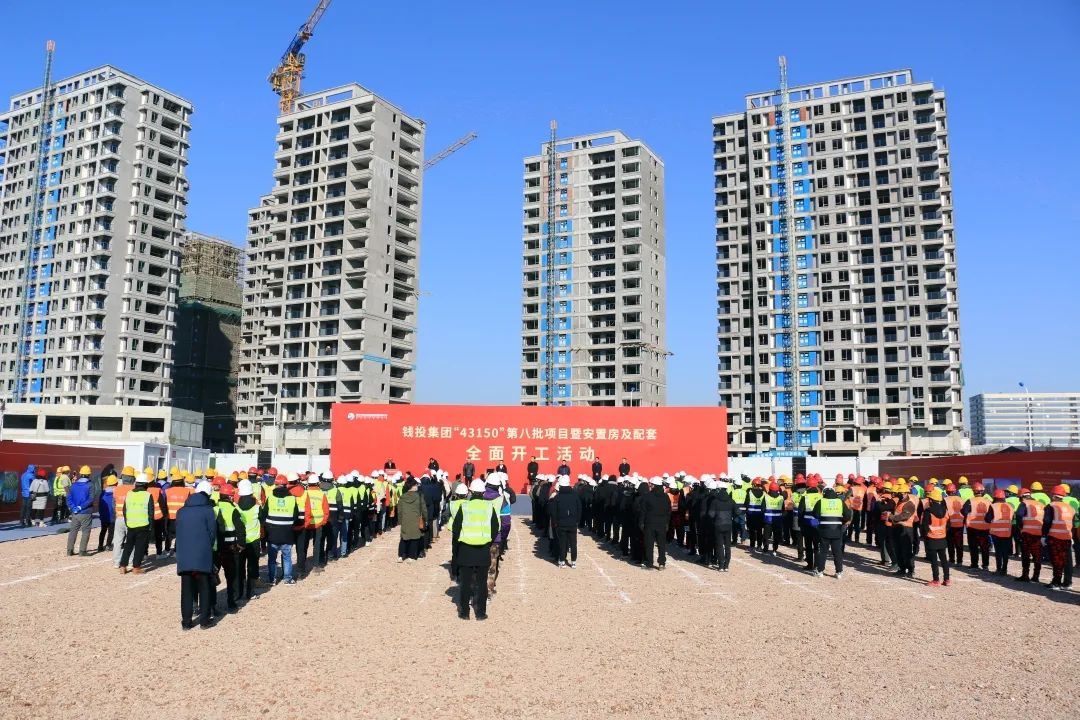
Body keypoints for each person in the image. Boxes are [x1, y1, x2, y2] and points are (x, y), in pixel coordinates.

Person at [453, 479, 500, 620]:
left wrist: (458, 545)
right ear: (483, 492)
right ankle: (480, 613)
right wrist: (488, 541)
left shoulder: (464, 506)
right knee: (481, 582)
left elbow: (456, 528)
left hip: (466, 549)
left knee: (465, 583)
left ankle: (464, 613)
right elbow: (495, 526)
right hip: (483, 549)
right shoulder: (489, 507)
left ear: (470, 491)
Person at [175, 482, 217, 630]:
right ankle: (204, 621)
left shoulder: (181, 511)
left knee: (186, 589)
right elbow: (212, 534)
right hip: (202, 553)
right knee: (204, 586)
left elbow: (178, 532)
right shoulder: (208, 510)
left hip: (184, 554)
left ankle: (186, 622)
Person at [263, 475, 301, 584]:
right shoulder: (292, 499)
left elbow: (264, 514)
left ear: (276, 485)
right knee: (287, 557)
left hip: (272, 534)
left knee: (272, 559)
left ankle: (272, 579)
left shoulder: (270, 498)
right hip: (287, 533)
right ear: (286, 485)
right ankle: (287, 578)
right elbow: (296, 516)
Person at [214, 484, 245, 613]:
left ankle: (212, 605)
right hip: (230, 549)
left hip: (216, 549)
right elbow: (240, 529)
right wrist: (241, 545)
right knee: (231, 577)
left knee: (212, 576)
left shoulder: (214, 508)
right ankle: (231, 603)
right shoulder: (233, 510)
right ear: (230, 497)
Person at [813, 481, 851, 578]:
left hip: (824, 530)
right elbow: (848, 515)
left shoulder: (821, 501)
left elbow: (815, 514)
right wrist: (841, 521)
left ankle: (820, 571)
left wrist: (821, 520)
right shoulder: (840, 502)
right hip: (837, 530)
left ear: (824, 493)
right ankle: (839, 572)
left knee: (823, 551)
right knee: (837, 552)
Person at [118, 473, 155, 573]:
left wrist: (127, 522)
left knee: (128, 546)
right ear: (146, 484)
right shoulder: (148, 495)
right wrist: (151, 527)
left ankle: (122, 566)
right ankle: (136, 567)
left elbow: (124, 510)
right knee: (139, 547)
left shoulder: (129, 494)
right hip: (143, 525)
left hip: (131, 524)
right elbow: (151, 513)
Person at [1043, 485, 1075, 590]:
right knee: (1067, 560)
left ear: (1053, 495)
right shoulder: (1070, 508)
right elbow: (1073, 523)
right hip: (1067, 537)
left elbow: (1047, 522)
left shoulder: (1051, 506)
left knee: (1056, 560)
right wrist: (1071, 536)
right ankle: (1067, 583)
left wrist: (1044, 535)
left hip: (1055, 537)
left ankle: (1056, 583)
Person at [235, 479, 261, 602]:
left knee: (240, 567)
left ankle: (238, 593)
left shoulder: (236, 507)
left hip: (240, 542)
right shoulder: (257, 507)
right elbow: (263, 519)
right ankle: (250, 592)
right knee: (252, 567)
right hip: (254, 541)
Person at [921, 487, 951, 587]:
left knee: (934, 561)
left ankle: (936, 580)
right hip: (942, 538)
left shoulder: (928, 511)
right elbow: (948, 525)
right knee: (944, 560)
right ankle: (947, 579)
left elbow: (924, 526)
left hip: (932, 538)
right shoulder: (945, 510)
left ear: (931, 500)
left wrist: (925, 535)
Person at [888, 483, 919, 578]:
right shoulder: (900, 502)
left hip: (906, 530)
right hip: (897, 528)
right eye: (899, 493)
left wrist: (891, 517)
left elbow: (904, 516)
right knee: (898, 550)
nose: (900, 495)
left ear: (906, 493)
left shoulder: (909, 504)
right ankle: (902, 569)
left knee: (907, 551)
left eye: (901, 493)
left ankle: (910, 570)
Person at [67, 466, 98, 557]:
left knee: (73, 531)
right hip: (86, 512)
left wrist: (73, 507)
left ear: (80, 474)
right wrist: (80, 507)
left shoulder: (73, 485)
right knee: (85, 531)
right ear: (89, 474)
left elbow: (69, 498)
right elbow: (91, 499)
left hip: (75, 513)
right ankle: (82, 551)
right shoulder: (90, 485)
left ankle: (69, 550)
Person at [640, 477, 670, 570]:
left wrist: (641, 522)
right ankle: (662, 563)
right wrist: (667, 523)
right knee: (661, 544)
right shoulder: (666, 497)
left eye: (651, 485)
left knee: (649, 544)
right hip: (662, 523)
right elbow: (668, 511)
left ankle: (649, 563)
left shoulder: (648, 496)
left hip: (650, 523)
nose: (650, 486)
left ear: (654, 485)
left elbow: (643, 511)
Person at [1014, 487, 1044, 583]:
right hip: (1038, 533)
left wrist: (1020, 526)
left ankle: (1025, 575)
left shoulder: (1024, 503)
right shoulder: (1040, 504)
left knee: (1026, 555)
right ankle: (1036, 577)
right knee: (1037, 556)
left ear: (1022, 497)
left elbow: (1019, 515)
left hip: (1027, 534)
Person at [552, 475, 582, 568]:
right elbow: (579, 509)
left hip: (561, 524)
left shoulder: (557, 497)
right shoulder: (575, 496)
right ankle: (573, 562)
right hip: (573, 523)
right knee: (573, 543)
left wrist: (555, 522)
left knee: (562, 543)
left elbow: (554, 512)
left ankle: (562, 561)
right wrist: (577, 520)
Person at [396, 477, 427, 562]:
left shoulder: (402, 497)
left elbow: (399, 511)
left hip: (405, 520)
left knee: (404, 538)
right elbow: (424, 509)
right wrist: (425, 519)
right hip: (416, 520)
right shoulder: (419, 496)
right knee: (414, 538)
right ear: (412, 486)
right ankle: (411, 556)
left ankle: (401, 555)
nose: (417, 486)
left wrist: (400, 521)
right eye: (416, 485)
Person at [709, 480, 736, 571]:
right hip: (728, 525)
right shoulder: (731, 500)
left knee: (719, 545)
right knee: (727, 546)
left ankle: (720, 565)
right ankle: (726, 565)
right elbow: (738, 512)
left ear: (718, 489)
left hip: (718, 525)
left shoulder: (715, 501)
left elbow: (711, 515)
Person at [963, 483, 991, 571]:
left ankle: (974, 565)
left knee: (973, 547)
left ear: (974, 491)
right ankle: (985, 565)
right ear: (982, 491)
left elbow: (964, 511)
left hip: (972, 528)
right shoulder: (988, 501)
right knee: (984, 547)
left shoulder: (970, 501)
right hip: (985, 528)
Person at [113, 467, 137, 570]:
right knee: (131, 541)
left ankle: (116, 562)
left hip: (119, 518)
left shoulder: (116, 489)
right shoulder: (135, 490)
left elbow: (114, 504)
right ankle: (130, 563)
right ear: (133, 478)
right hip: (131, 519)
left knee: (117, 541)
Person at [164, 474, 193, 557]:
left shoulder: (167, 491)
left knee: (169, 535)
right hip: (182, 517)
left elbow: (165, 504)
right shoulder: (187, 491)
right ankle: (176, 551)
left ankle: (167, 550)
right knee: (180, 535)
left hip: (170, 517)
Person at [987, 489, 1014, 576]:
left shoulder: (993, 506)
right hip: (1007, 532)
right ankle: (1004, 570)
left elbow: (987, 519)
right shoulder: (1010, 506)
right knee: (1005, 552)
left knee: (998, 552)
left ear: (995, 497)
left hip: (996, 533)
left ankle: (999, 569)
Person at [798, 477, 822, 570]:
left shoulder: (805, 497)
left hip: (807, 523)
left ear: (807, 486)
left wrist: (800, 523)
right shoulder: (821, 496)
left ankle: (810, 565)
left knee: (808, 545)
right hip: (817, 523)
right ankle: (817, 565)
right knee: (817, 546)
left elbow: (800, 512)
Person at [943, 483, 965, 566]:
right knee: (959, 544)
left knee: (950, 543)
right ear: (955, 491)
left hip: (949, 524)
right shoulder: (961, 499)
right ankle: (959, 561)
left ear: (946, 491)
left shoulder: (945, 500)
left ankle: (951, 560)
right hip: (960, 524)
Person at [762, 481, 785, 556]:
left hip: (768, 520)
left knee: (766, 535)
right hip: (778, 520)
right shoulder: (781, 497)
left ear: (770, 489)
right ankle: (775, 549)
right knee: (776, 535)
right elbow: (783, 509)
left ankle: (765, 548)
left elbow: (763, 509)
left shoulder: (766, 497)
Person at [98, 475, 117, 551]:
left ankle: (100, 546)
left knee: (103, 531)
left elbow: (100, 504)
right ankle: (108, 545)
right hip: (112, 516)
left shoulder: (103, 493)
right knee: (111, 531)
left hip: (103, 515)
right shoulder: (115, 493)